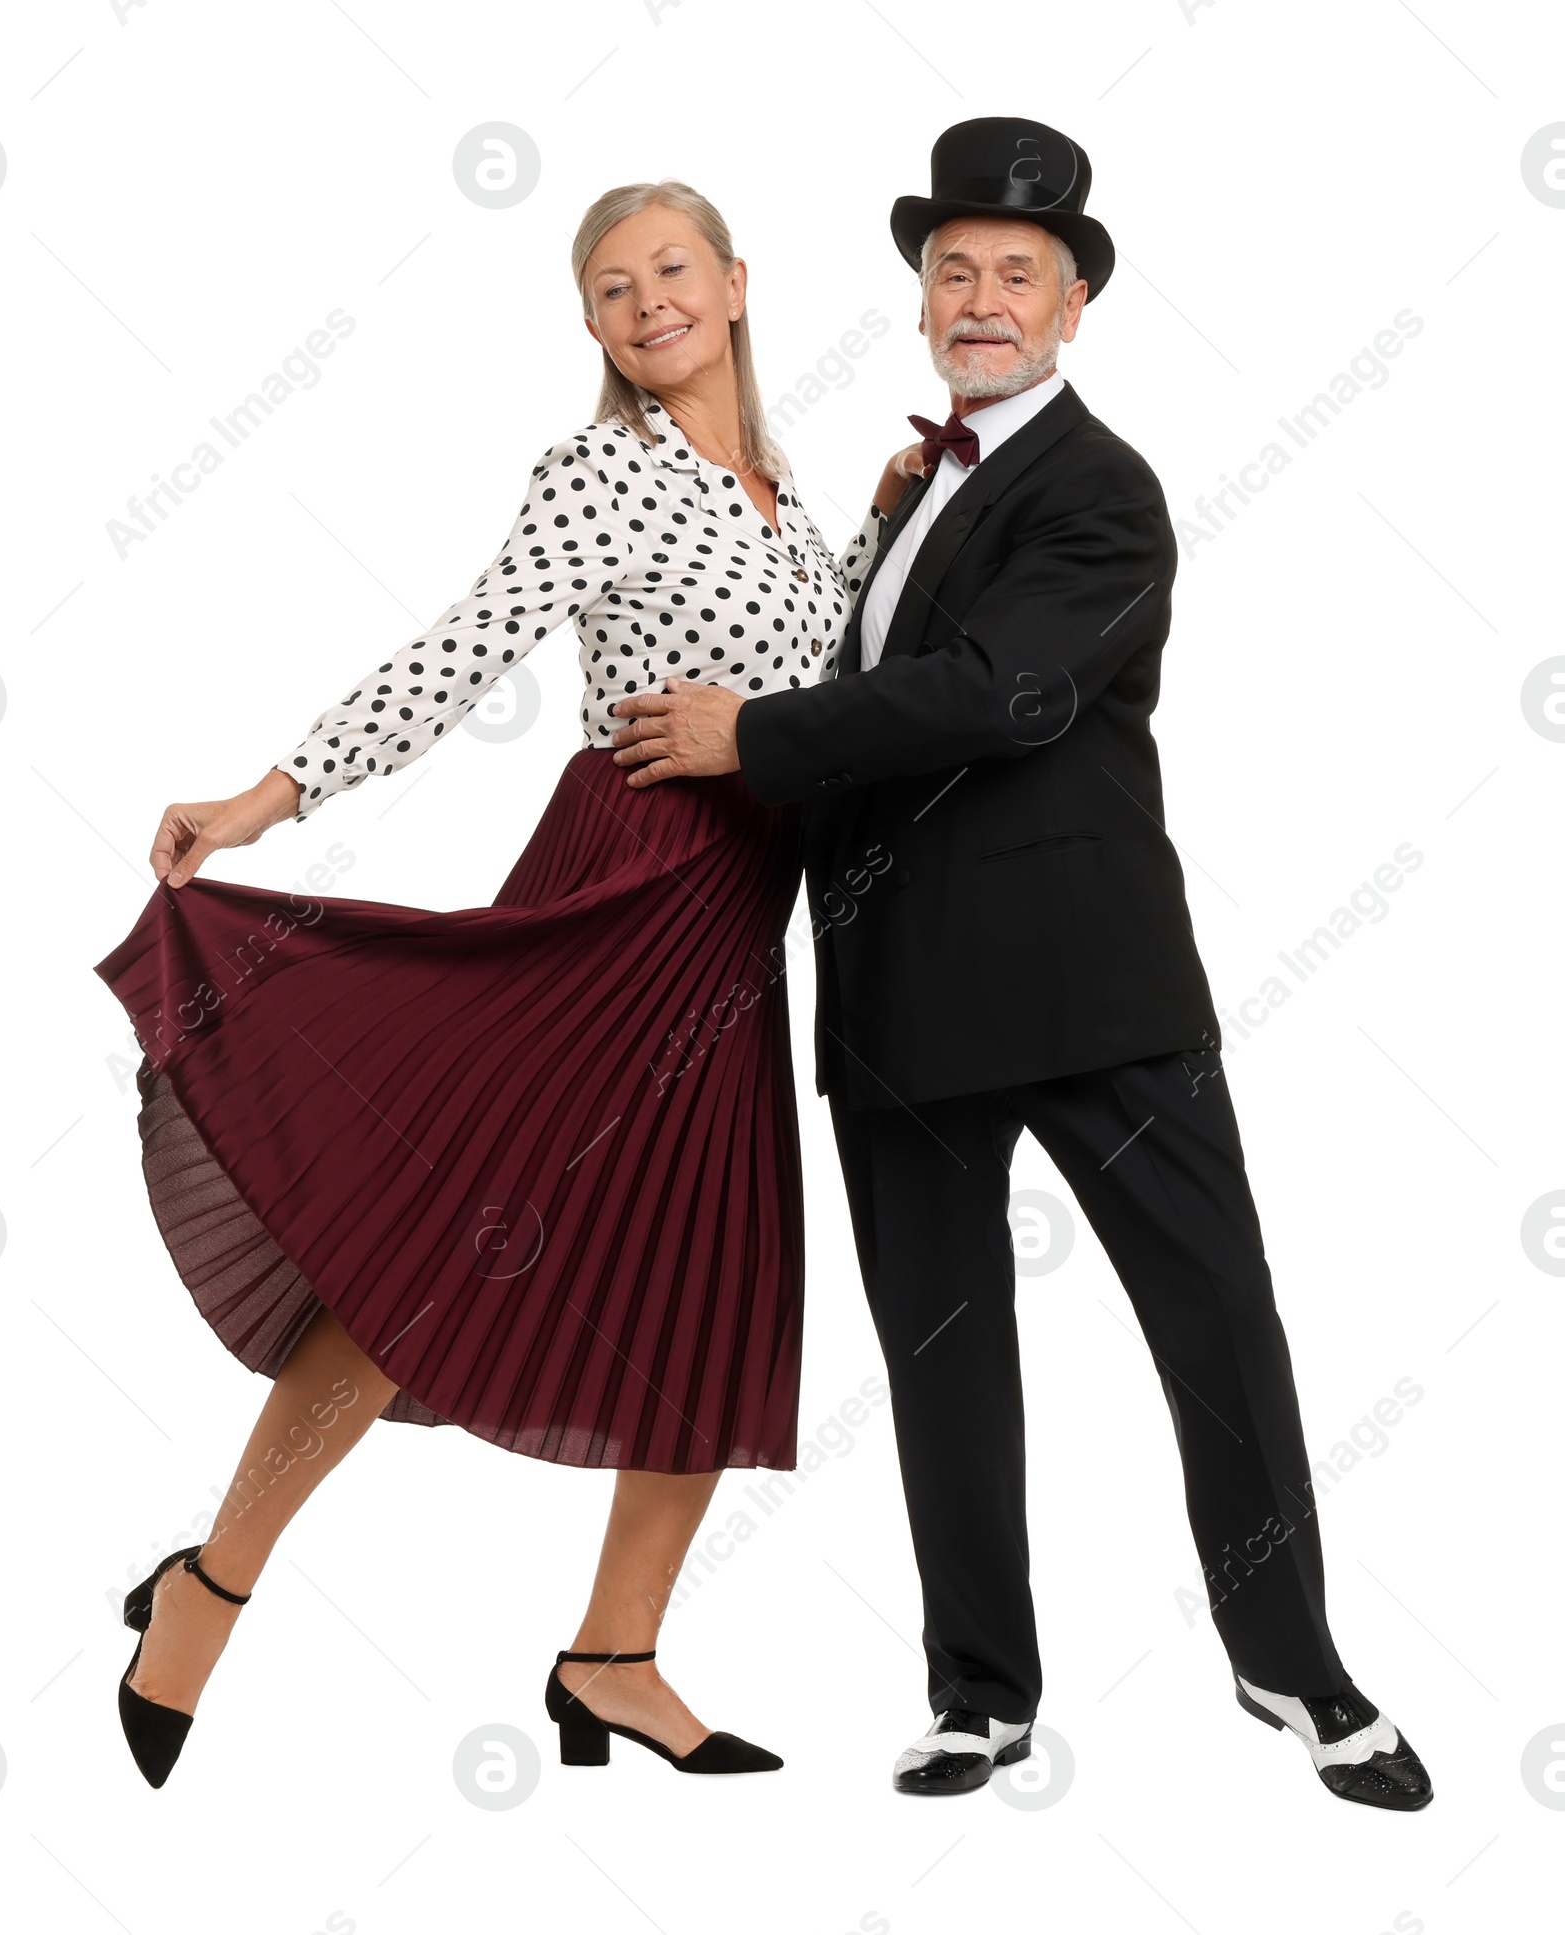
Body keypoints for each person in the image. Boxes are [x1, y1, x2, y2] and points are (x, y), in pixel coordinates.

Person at [607, 117, 1434, 1810]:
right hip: (899, 997)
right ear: (922, 303)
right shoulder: (908, 482)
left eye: (1017, 276)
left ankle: (1295, 1668)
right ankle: (979, 1689)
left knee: (1216, 1325)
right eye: (954, 272)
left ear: (1073, 309)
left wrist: (752, 733)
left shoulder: (1105, 491)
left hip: (1090, 988)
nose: (981, 299)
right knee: (942, 1354)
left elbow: (1005, 695)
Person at [92, 177, 913, 1789]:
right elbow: (461, 649)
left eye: (673, 268)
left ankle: (614, 1659)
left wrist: (885, 521)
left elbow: (822, 680)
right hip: (612, 904)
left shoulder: (790, 498)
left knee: (720, 1290)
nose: (648, 301)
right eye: (614, 287)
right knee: (427, 1263)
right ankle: (211, 1585)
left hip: (734, 950)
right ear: (594, 326)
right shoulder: (600, 471)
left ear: (738, 285)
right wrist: (270, 796)